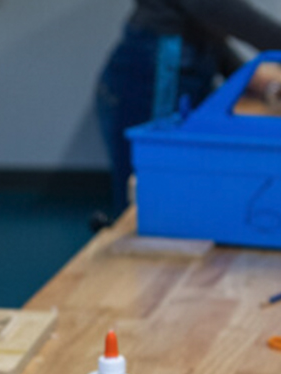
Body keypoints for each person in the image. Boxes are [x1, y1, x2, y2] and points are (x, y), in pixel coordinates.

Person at [96, 0, 281, 217]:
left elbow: (203, 22)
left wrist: (245, 75)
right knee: (149, 206)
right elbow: (210, 7)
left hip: (180, 65)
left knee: (183, 199)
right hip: (155, 77)